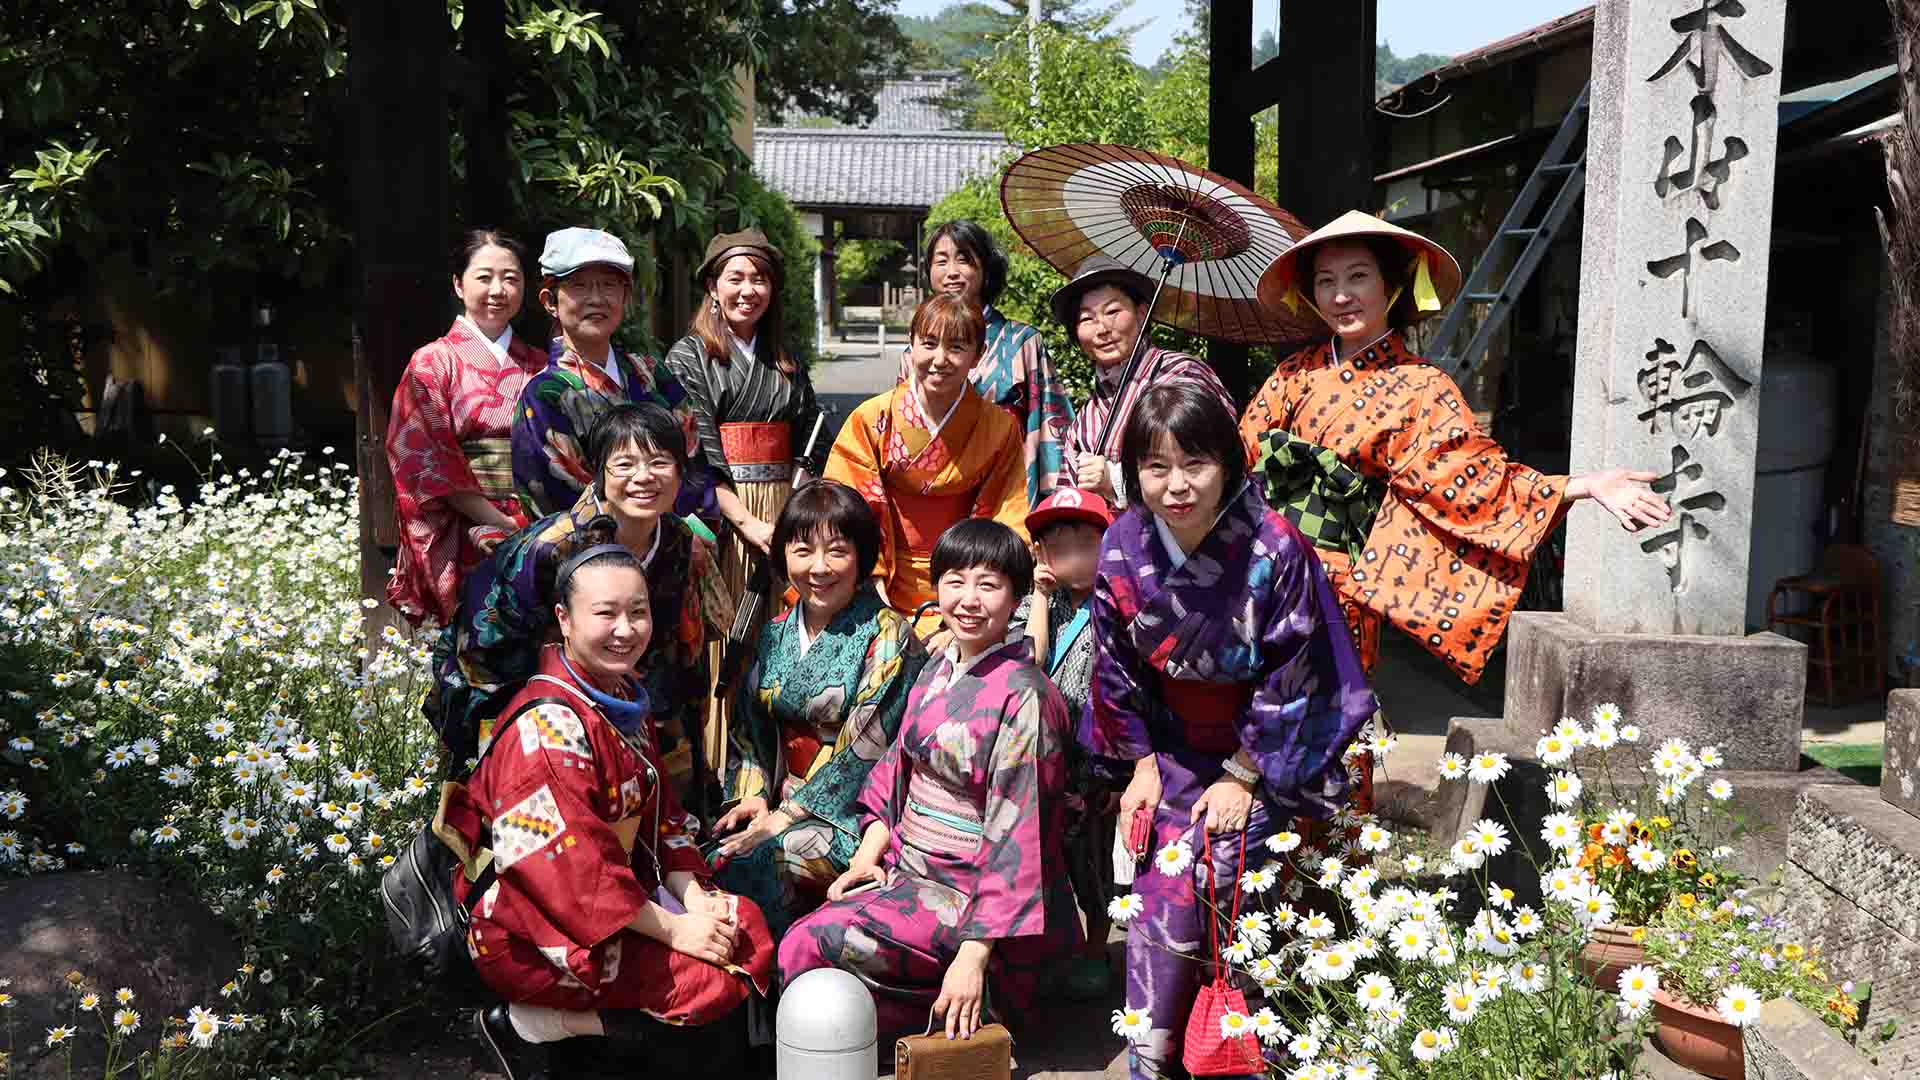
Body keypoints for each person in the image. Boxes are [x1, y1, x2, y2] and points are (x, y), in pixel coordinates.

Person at [1239, 210, 1671, 685]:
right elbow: (1236, 459)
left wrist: (1584, 485)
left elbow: (1475, 484)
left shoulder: (1424, 388)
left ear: (1392, 286)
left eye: (1358, 277)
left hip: (1338, 586)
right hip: (1264, 569)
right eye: (1325, 281)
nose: (1341, 295)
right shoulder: (1294, 374)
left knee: (1331, 718)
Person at [1084, 382, 1376, 1080]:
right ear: (1134, 473)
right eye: (1155, 467)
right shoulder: (1123, 546)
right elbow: (1115, 663)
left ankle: (1248, 1055)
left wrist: (1244, 773)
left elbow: (1298, 671)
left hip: (1270, 751)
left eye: (1196, 463)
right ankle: (1157, 1058)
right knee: (1161, 890)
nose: (1176, 486)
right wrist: (1142, 766)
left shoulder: (1276, 548)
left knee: (1228, 871)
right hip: (1170, 748)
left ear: (1230, 463)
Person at [445, 546, 772, 1080]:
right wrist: (673, 929)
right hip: (532, 927)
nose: (626, 629)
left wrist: (695, 900)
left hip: (618, 900)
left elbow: (664, 819)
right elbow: (571, 872)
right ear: (564, 620)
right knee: (702, 979)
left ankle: (605, 1039)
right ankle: (534, 1024)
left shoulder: (616, 696)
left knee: (742, 928)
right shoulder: (549, 726)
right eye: (605, 614)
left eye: (637, 612)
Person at [778, 519, 1081, 1039]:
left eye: (988, 585)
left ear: (1017, 597)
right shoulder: (940, 663)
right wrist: (866, 859)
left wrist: (975, 953)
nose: (968, 599)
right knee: (796, 913)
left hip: (975, 900)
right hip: (908, 868)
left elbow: (1022, 836)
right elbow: (894, 771)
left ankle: (982, 999)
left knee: (807, 948)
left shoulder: (1026, 697)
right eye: (955, 581)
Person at [434, 404, 733, 789]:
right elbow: (486, 648)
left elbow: (675, 650)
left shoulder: (677, 541)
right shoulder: (550, 548)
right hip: (535, 700)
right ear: (598, 474)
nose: (644, 477)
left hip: (635, 703)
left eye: (660, 463)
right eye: (624, 464)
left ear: (680, 473)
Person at [708, 481, 928, 938]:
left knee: (769, 858)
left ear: (863, 557)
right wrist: (753, 795)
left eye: (837, 551)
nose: (819, 567)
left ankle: (781, 979)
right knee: (710, 855)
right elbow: (750, 728)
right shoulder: (774, 633)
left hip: (857, 816)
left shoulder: (887, 635)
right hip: (781, 800)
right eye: (803, 550)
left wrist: (781, 820)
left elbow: (862, 752)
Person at [663, 230, 821, 787]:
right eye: (736, 278)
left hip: (784, 516)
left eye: (760, 279)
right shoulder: (688, 359)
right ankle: (716, 777)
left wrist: (793, 517)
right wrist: (749, 522)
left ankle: (775, 772)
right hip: (724, 524)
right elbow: (696, 455)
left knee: (778, 637)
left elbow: (810, 441)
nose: (749, 290)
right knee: (722, 643)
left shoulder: (785, 361)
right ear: (712, 286)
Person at [824, 293, 1031, 639]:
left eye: (956, 347)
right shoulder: (873, 418)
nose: (940, 359)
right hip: (878, 580)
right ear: (911, 345)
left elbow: (1007, 512)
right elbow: (847, 509)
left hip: (966, 586)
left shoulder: (999, 426)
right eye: (929, 344)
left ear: (978, 355)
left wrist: (973, 595)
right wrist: (875, 598)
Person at [385, 229, 549, 626]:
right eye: (484, 277)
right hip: (467, 530)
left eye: (511, 278)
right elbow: (425, 458)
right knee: (476, 648)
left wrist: (535, 525)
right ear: (458, 284)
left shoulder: (542, 364)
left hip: (540, 525)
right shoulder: (432, 363)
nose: (498, 289)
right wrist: (500, 523)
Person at [512, 226, 704, 520]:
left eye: (609, 285)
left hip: (674, 543)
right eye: (579, 286)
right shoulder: (543, 396)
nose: (597, 298)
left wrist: (678, 528)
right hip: (593, 556)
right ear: (550, 301)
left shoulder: (651, 373)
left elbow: (692, 460)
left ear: (625, 296)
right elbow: (552, 498)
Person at [895, 221, 1075, 506]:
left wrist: (1058, 502)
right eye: (941, 261)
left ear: (985, 269)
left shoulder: (1021, 342)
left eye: (964, 260)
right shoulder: (914, 352)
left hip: (1008, 486)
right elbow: (902, 432)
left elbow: (1053, 427)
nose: (951, 271)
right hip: (936, 493)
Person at [1024, 486, 1119, 999]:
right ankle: (1057, 946)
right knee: (1047, 856)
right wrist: (1039, 594)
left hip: (1097, 763)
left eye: (1087, 541)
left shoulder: (1121, 602)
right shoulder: (1038, 603)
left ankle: (1096, 947)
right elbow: (1032, 659)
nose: (1074, 554)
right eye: (1058, 545)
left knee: (1093, 861)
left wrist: (1120, 775)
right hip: (1045, 760)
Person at [1055, 255, 1237, 511]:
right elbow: (1068, 505)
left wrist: (1115, 481)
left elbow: (1219, 466)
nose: (1102, 328)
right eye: (1087, 319)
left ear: (1141, 314)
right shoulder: (1084, 422)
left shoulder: (1183, 375)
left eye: (1113, 311)